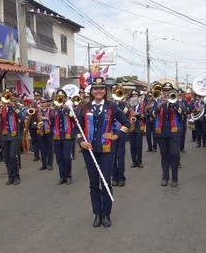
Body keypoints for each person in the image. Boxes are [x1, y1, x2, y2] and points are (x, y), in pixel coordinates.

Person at [77, 77, 131, 228]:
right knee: (94, 183)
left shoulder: (112, 107)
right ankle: (97, 214)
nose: (99, 91)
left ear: (105, 91)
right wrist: (81, 140)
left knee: (105, 182)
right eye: (95, 88)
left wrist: (116, 135)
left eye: (101, 88)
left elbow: (127, 123)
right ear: (91, 91)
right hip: (90, 151)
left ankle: (106, 214)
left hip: (107, 150)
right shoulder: (84, 108)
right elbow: (77, 127)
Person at [149, 82, 183, 187]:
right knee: (164, 156)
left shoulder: (177, 101)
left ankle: (174, 178)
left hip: (173, 133)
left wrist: (173, 103)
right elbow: (151, 114)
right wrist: (159, 106)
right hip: (161, 133)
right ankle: (165, 177)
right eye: (165, 90)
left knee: (174, 155)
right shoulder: (156, 101)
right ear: (162, 91)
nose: (167, 92)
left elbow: (182, 113)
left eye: (169, 90)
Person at [0, 92, 23, 185]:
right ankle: (10, 176)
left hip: (14, 135)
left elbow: (21, 118)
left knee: (12, 156)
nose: (6, 100)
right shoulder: (2, 108)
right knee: (6, 158)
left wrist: (13, 106)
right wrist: (0, 109)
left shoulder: (16, 107)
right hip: (4, 136)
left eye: (8, 98)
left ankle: (16, 176)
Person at [52, 89, 74, 185]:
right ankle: (62, 176)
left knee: (66, 157)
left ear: (65, 98)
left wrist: (67, 109)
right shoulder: (54, 110)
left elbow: (75, 118)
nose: (60, 98)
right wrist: (55, 109)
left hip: (67, 137)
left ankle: (68, 176)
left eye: (62, 97)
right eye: (58, 96)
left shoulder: (68, 109)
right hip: (57, 137)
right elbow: (50, 120)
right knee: (59, 158)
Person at [128, 90, 145, 168]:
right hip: (131, 126)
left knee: (139, 145)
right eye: (133, 96)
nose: (134, 97)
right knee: (132, 146)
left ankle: (139, 161)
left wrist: (139, 114)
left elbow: (145, 116)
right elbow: (124, 115)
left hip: (138, 126)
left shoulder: (142, 106)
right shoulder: (128, 106)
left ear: (138, 97)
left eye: (136, 96)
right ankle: (134, 161)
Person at [36, 97, 54, 171]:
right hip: (40, 131)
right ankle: (44, 164)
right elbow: (33, 122)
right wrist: (36, 124)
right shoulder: (37, 111)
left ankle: (50, 164)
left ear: (47, 103)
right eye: (41, 102)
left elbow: (53, 121)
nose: (43, 104)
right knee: (42, 149)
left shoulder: (51, 111)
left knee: (49, 148)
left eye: (44, 102)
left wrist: (46, 118)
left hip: (48, 131)